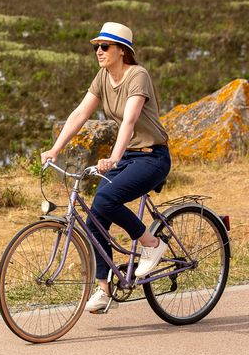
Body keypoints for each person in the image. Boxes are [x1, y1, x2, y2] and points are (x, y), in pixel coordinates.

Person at [41, 22, 171, 314]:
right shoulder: (103, 77)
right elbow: (80, 113)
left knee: (106, 199)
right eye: (96, 47)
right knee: (95, 217)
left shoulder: (138, 75)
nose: (98, 51)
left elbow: (129, 119)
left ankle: (152, 244)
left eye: (104, 46)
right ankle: (103, 289)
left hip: (152, 156)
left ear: (122, 50)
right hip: (128, 157)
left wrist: (112, 157)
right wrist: (55, 149)